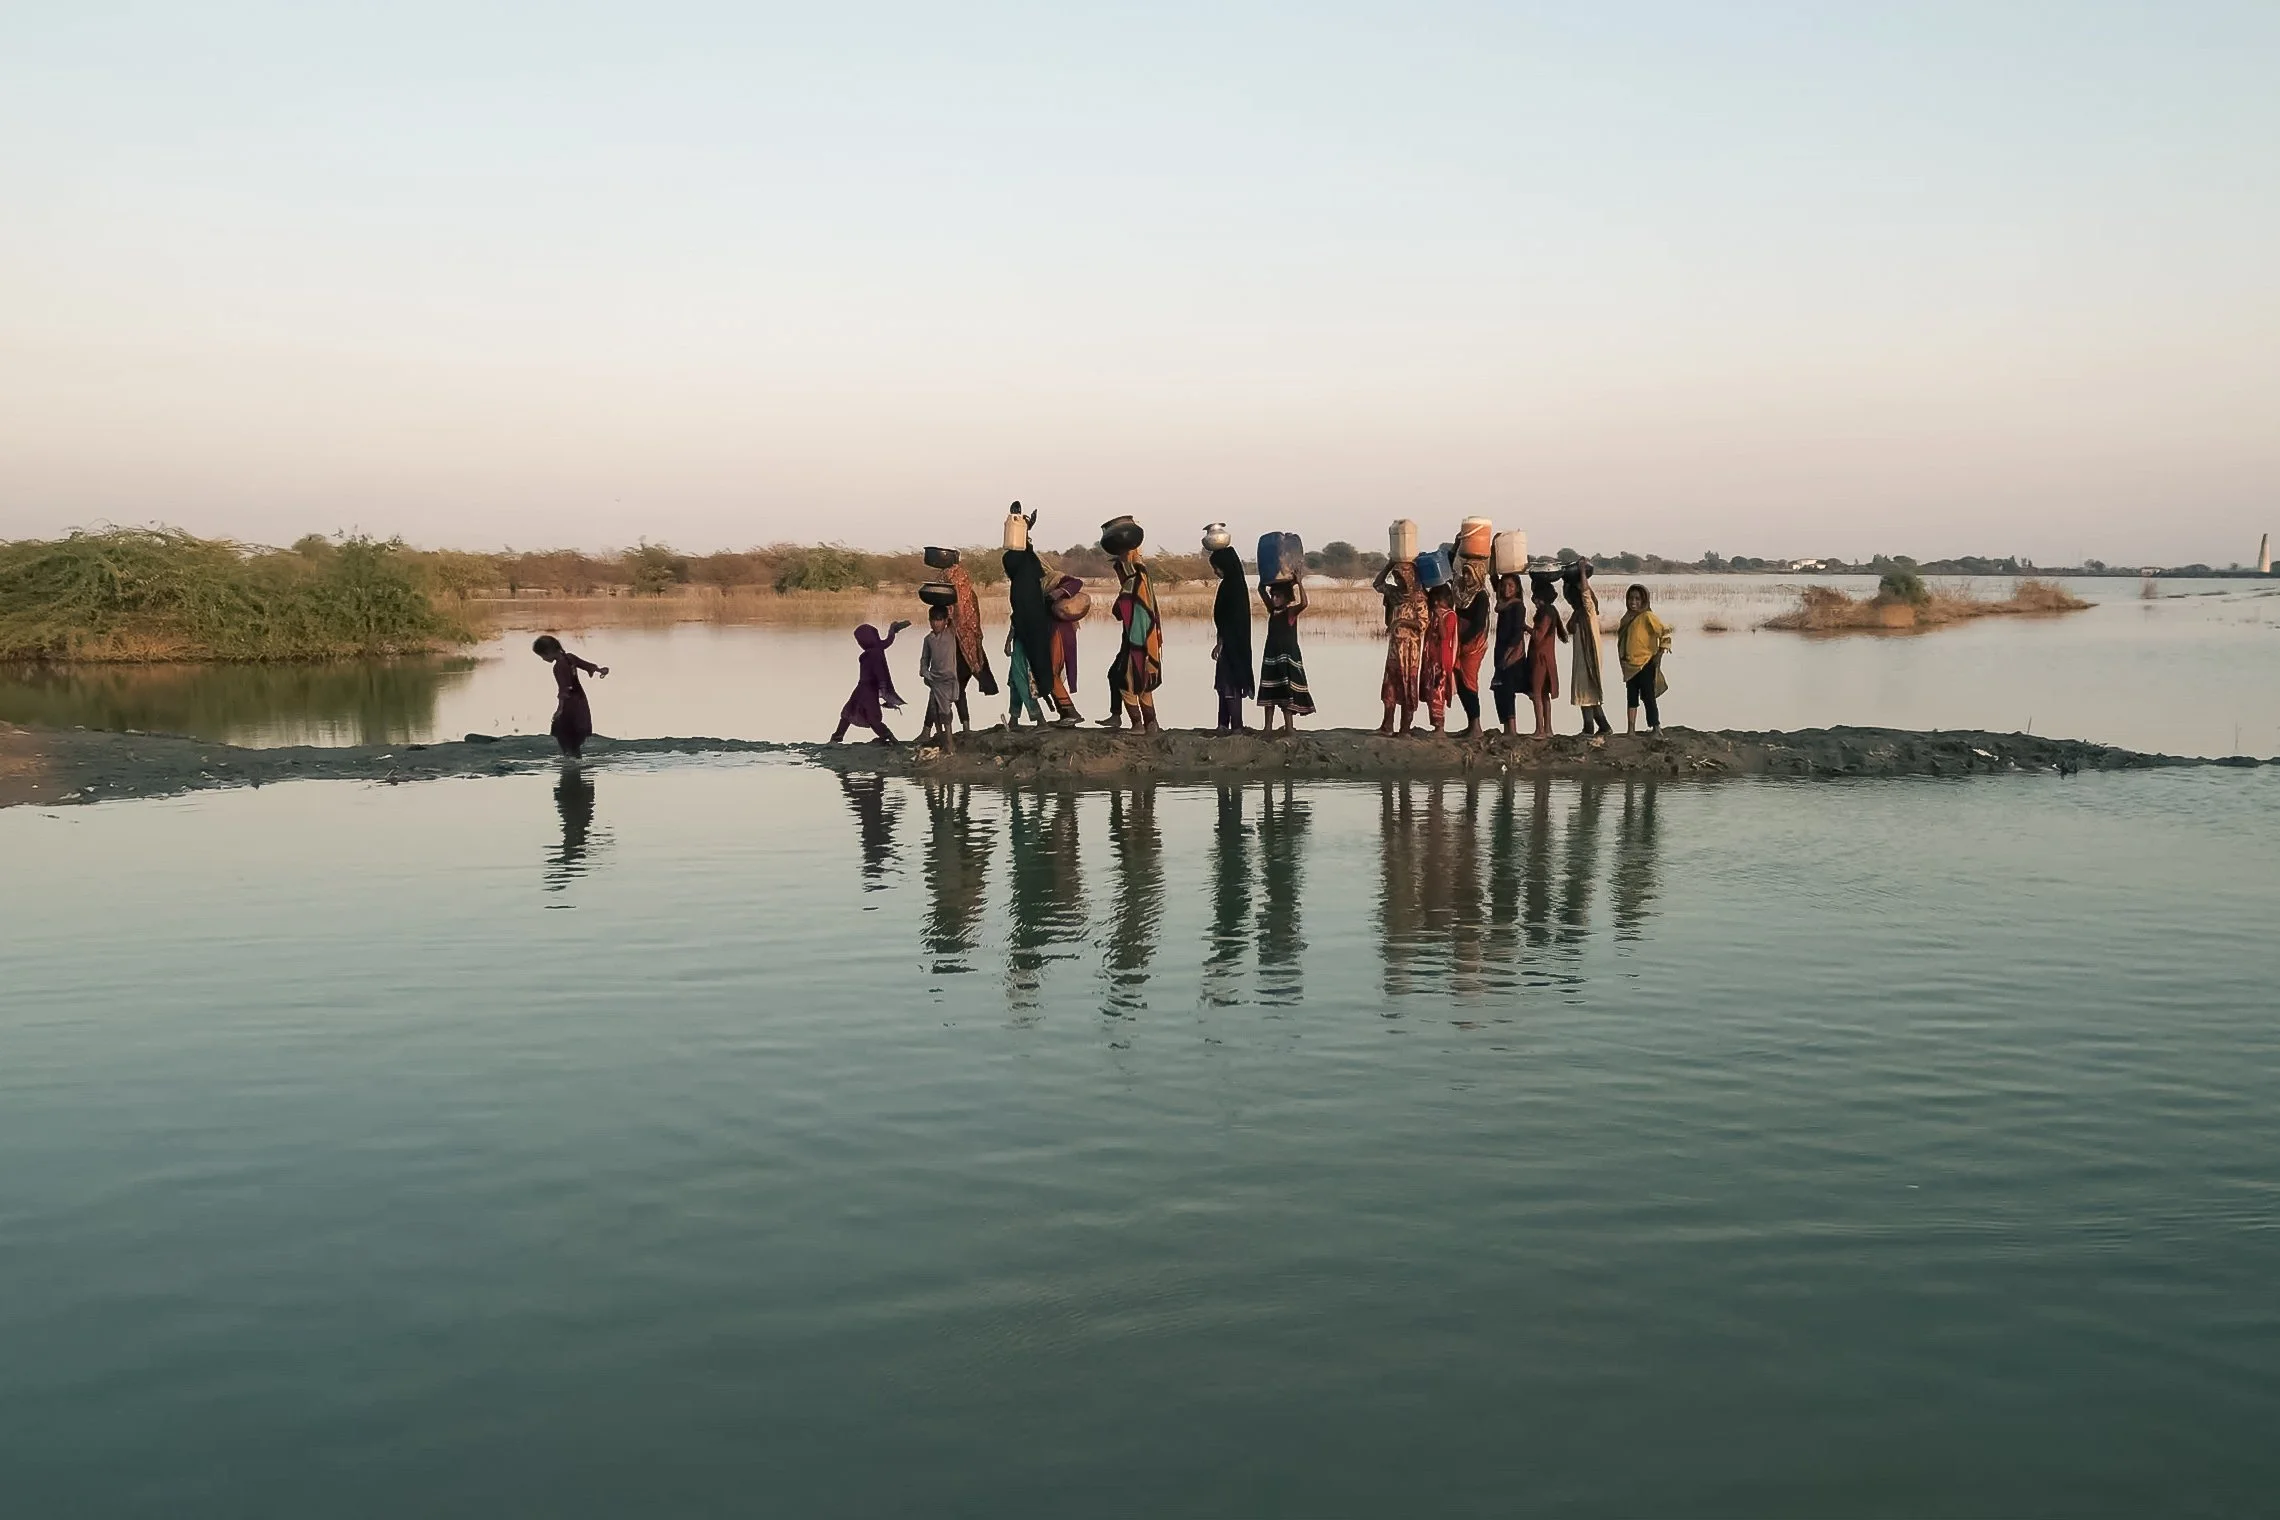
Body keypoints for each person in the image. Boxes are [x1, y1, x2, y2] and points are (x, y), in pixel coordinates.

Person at [1003, 507, 1080, 727]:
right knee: (1015, 677)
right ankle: (1015, 717)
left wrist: (1024, 531)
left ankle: (1040, 719)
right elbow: (1017, 614)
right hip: (1028, 633)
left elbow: (1022, 614)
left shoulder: (1028, 584)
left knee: (1023, 675)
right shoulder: (1027, 581)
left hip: (1037, 635)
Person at [1100, 544, 1163, 733]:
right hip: (1150, 643)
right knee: (1144, 687)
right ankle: (1151, 724)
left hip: (1136, 644)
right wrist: (1133, 555)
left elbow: (1118, 612)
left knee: (1126, 683)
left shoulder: (1130, 586)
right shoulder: (1144, 583)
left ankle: (1136, 724)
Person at [1372, 557, 1428, 735]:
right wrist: (1389, 565)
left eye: (1403, 575)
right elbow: (1378, 584)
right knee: (1389, 686)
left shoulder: (1419, 597)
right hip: (1395, 649)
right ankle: (1387, 725)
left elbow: (1422, 624)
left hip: (1410, 651)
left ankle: (1405, 728)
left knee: (1407, 687)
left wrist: (1400, 622)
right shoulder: (1395, 594)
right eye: (1396, 577)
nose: (1399, 580)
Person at [831, 619, 911, 743]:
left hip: (865, 689)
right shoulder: (877, 649)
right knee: (853, 712)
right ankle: (838, 737)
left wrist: (884, 692)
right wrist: (893, 630)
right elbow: (887, 641)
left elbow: (879, 673)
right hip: (864, 689)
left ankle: (890, 738)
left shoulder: (872, 654)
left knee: (858, 714)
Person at [942, 559, 998, 732]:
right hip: (968, 648)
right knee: (956, 689)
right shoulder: (969, 595)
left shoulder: (957, 599)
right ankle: (963, 727)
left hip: (962, 648)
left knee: (949, 688)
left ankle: (946, 729)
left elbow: (960, 618)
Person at [533, 634, 608, 758]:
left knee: (563, 732)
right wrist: (599, 670)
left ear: (549, 652)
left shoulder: (558, 667)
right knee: (575, 734)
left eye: (543, 656)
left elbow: (564, 689)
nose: (543, 659)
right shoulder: (570, 658)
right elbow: (586, 665)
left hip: (570, 703)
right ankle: (575, 756)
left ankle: (569, 759)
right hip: (580, 700)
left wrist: (560, 709)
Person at [1256, 578, 1315, 734]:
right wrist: (1268, 580)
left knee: (1286, 691)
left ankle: (1289, 727)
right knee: (1269, 690)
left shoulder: (1290, 612)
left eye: (1278, 596)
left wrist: (1299, 582)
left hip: (1287, 656)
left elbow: (1304, 604)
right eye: (1273, 596)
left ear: (1286, 598)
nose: (1274, 599)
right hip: (1271, 655)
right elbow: (1261, 589)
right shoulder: (1272, 610)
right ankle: (1267, 727)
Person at [1566, 561, 1614, 738]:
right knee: (1586, 691)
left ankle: (1590, 728)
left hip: (1589, 655)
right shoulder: (1578, 614)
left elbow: (1586, 593)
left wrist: (1582, 573)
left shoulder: (1589, 610)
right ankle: (1602, 727)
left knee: (1587, 690)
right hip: (1582, 656)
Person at [1210, 544, 1256, 732]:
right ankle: (1224, 724)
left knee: (1229, 683)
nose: (1215, 572)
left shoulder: (1232, 587)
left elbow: (1229, 619)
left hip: (1232, 643)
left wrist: (1221, 643)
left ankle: (1235, 725)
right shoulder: (1234, 584)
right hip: (1233, 641)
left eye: (1216, 567)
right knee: (1225, 684)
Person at [1617, 583, 1674, 733]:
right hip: (1630, 666)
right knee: (1631, 698)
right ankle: (1631, 729)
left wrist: (1659, 654)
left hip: (1646, 663)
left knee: (1648, 697)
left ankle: (1656, 727)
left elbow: (1665, 632)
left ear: (1644, 601)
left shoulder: (1648, 616)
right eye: (1630, 598)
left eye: (1637, 599)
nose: (1633, 602)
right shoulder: (1626, 618)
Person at [1527, 574, 1567, 739]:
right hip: (1548, 657)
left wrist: (1525, 627)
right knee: (1544, 694)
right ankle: (1548, 729)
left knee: (1537, 693)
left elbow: (1538, 636)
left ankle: (1540, 730)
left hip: (1540, 658)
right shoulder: (1552, 611)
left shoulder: (1545, 613)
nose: (1535, 601)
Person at [917, 604, 962, 750]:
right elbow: (925, 659)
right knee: (935, 708)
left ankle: (949, 742)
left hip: (948, 678)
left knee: (945, 711)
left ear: (945, 621)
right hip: (934, 679)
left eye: (939, 620)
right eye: (933, 620)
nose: (936, 623)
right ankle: (942, 737)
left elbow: (957, 617)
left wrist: (950, 607)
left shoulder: (950, 634)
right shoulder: (928, 639)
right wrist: (924, 671)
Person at [1489, 573, 1530, 735]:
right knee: (1499, 689)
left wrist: (1508, 653)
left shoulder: (1518, 606)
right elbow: (1494, 580)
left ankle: (1512, 729)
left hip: (1513, 654)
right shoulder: (1502, 605)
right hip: (1500, 651)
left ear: (1517, 588)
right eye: (1504, 585)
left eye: (1511, 586)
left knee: (1507, 689)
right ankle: (1506, 727)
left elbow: (1517, 632)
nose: (1507, 589)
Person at [1453, 583, 1493, 738]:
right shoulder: (1461, 594)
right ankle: (1471, 724)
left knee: (1469, 683)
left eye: (1470, 573)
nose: (1466, 577)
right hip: (1461, 643)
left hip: (1473, 645)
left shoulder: (1481, 595)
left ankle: (1476, 727)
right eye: (1465, 573)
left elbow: (1478, 625)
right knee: (1460, 682)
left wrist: (1462, 640)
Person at [1420, 583, 1458, 735]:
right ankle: (1436, 725)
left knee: (1438, 692)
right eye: (1435, 599)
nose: (1437, 603)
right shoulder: (1432, 615)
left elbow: (1444, 636)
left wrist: (1440, 617)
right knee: (1430, 692)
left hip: (1441, 660)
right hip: (1431, 659)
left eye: (1440, 599)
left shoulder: (1450, 616)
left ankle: (1440, 727)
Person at [1049, 575, 1085, 718]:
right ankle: (1064, 714)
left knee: (1051, 673)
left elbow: (1078, 582)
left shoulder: (1055, 579)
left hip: (1059, 631)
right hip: (1053, 631)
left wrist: (1059, 592)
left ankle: (1070, 713)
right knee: (1051, 673)